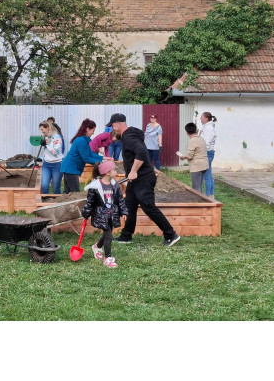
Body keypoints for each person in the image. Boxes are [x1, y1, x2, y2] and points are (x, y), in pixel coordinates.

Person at [108, 113, 181, 247]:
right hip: (135, 180)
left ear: (119, 124)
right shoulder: (129, 135)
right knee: (129, 206)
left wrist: (133, 171)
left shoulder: (129, 137)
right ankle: (126, 236)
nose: (112, 128)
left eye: (112, 125)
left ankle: (171, 234)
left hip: (144, 178)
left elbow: (141, 152)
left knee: (148, 207)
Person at [81, 160, 128, 268]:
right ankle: (107, 258)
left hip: (112, 214)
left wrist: (124, 211)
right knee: (109, 236)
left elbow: (120, 200)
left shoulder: (115, 185)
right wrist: (86, 213)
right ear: (107, 172)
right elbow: (90, 202)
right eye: (114, 169)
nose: (116, 171)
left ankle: (97, 247)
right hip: (101, 215)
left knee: (107, 233)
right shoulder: (95, 187)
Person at [60, 118, 106, 194]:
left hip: (69, 167)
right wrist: (101, 162)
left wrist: (104, 158)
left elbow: (91, 154)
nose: (93, 133)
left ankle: (61, 201)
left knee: (67, 192)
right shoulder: (81, 141)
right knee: (76, 192)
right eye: (93, 130)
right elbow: (86, 158)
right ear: (87, 129)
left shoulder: (85, 140)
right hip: (71, 168)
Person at [179, 123, 209, 193]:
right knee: (199, 186)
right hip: (204, 165)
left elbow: (189, 156)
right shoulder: (201, 139)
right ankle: (202, 199)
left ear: (187, 132)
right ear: (195, 130)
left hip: (197, 166)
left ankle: (198, 200)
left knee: (196, 188)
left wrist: (182, 157)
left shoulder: (192, 141)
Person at [39, 121, 64, 194]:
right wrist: (41, 158)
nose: (42, 131)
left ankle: (57, 200)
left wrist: (46, 145)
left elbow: (55, 152)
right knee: (44, 185)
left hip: (57, 165)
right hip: (46, 165)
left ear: (48, 128)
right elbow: (46, 152)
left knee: (55, 187)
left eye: (42, 129)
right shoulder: (46, 137)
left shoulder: (57, 137)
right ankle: (45, 199)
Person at [199, 112, 217, 199]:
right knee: (208, 174)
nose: (200, 118)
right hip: (207, 152)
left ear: (206, 118)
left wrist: (201, 152)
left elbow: (206, 143)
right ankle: (211, 195)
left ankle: (208, 196)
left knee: (206, 175)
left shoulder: (209, 128)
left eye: (201, 117)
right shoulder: (206, 127)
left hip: (207, 152)